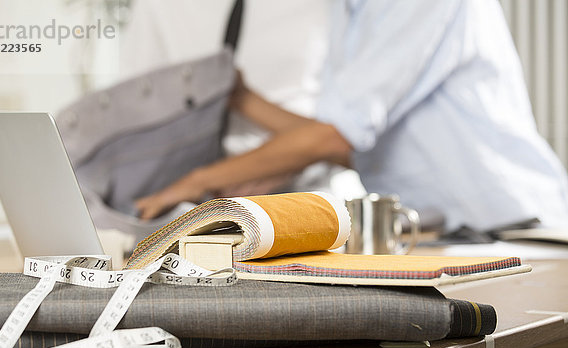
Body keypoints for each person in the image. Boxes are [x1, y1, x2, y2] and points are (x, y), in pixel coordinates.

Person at [136, 0, 568, 233]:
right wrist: (242, 100)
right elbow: (346, 138)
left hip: (513, 228)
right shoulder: (348, 13)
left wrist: (198, 182)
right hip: (440, 231)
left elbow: (333, 137)